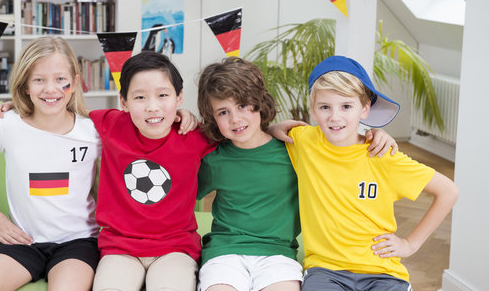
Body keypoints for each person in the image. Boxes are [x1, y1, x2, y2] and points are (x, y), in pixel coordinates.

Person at [195, 57, 399, 291]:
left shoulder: (295, 149)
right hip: (224, 253)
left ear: (260, 102)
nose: (235, 119)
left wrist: (375, 135)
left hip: (278, 256)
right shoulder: (214, 159)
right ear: (212, 117)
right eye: (223, 112)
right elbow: (180, 194)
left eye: (242, 106)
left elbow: (344, 151)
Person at [284, 55, 459, 291]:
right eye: (325, 107)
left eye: (346, 106)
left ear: (364, 109)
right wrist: (276, 126)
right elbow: (268, 132)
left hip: (383, 272)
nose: (335, 117)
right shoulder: (304, 141)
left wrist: (410, 244)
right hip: (326, 271)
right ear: (313, 111)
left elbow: (448, 191)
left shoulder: (383, 154)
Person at [0, 36, 101, 291]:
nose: (50, 89)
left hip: (78, 242)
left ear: (76, 82)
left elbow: (141, 129)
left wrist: (180, 114)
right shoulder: (7, 124)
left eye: (60, 79)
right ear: (25, 85)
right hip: (23, 242)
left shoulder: (92, 132)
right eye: (39, 80)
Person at [89, 51, 217, 291]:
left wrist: (274, 129)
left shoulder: (193, 135)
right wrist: (19, 109)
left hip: (176, 248)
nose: (152, 107)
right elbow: (62, 118)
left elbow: (241, 134)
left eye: (163, 95)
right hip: (120, 248)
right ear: (124, 102)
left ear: (179, 97)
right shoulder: (112, 124)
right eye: (140, 97)